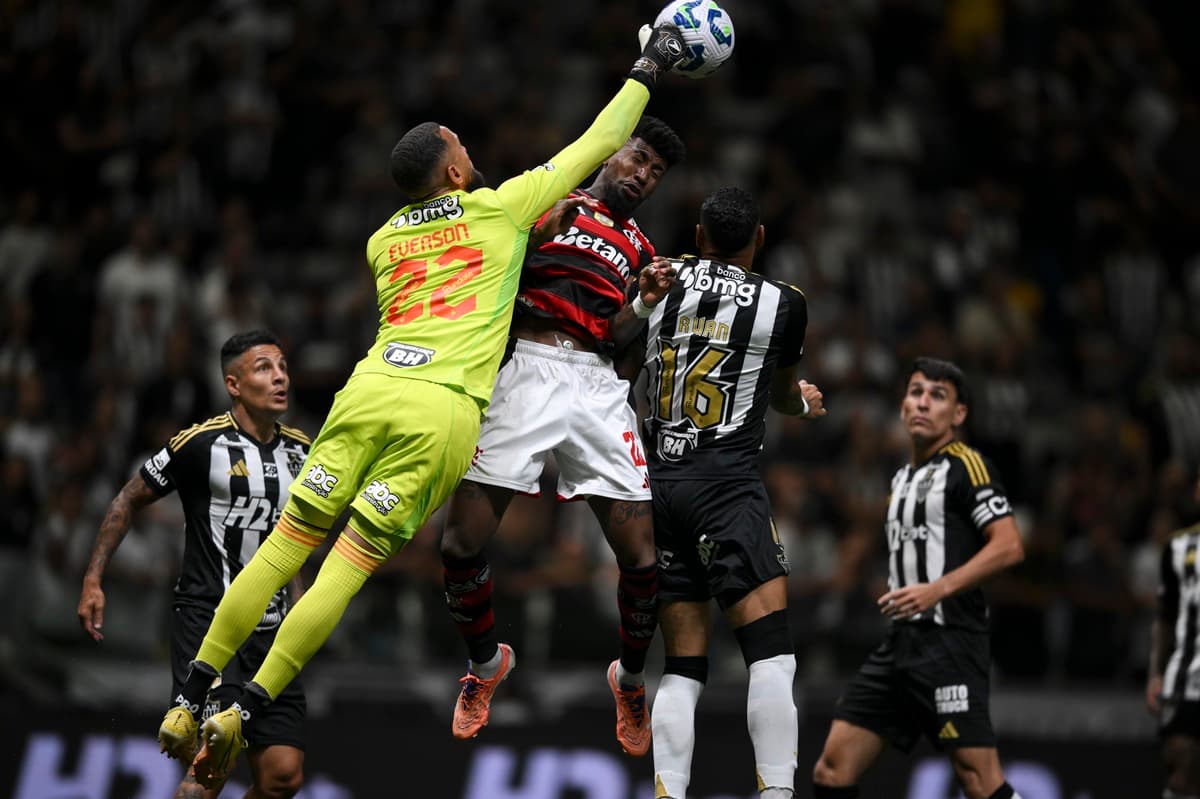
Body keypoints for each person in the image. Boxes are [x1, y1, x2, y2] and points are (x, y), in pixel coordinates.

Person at [158, 23, 694, 788]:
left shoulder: (383, 240)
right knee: (379, 562)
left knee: (285, 549)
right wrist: (648, 65)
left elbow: (582, 316)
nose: (471, 151)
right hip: (451, 402)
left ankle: (189, 694)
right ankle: (252, 704)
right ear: (451, 165)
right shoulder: (509, 211)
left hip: (373, 389)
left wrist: (631, 306)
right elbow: (599, 136)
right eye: (461, 146)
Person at [439, 114, 685, 757]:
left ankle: (629, 681)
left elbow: (621, 342)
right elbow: (483, 272)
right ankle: (487, 665)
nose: (642, 176)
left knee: (642, 561)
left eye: (655, 173)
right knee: (460, 544)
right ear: (610, 153)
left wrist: (644, 305)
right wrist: (526, 243)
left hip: (597, 387)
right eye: (636, 159)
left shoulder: (642, 250)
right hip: (524, 369)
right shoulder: (548, 201)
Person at [630, 187, 824, 799]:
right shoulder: (783, 304)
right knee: (770, 653)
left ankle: (668, 793)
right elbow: (780, 391)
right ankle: (776, 793)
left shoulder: (659, 278)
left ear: (698, 235)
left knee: (683, 662)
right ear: (759, 240)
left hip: (657, 487)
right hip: (726, 488)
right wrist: (805, 404)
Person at [79, 330, 310, 799]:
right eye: (264, 367)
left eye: (283, 365)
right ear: (234, 384)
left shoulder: (303, 450)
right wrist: (93, 578)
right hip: (209, 624)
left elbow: (294, 537)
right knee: (209, 772)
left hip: (272, 633)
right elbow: (128, 499)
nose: (280, 375)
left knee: (283, 777)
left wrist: (300, 606)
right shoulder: (200, 444)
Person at [811, 357, 1026, 799]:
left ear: (959, 414)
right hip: (900, 647)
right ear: (903, 404)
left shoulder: (968, 466)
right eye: (916, 392)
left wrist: (936, 590)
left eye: (938, 395)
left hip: (951, 643)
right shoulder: (902, 477)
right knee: (832, 770)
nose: (923, 403)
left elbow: (1009, 546)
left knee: (978, 780)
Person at [1147, 465, 1200, 799]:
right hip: (1184, 677)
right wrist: (1155, 673)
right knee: (1179, 769)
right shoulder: (1179, 547)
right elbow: (1165, 618)